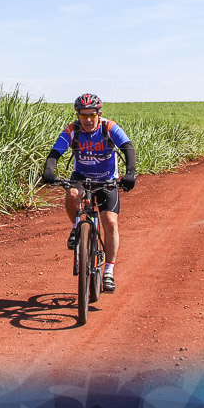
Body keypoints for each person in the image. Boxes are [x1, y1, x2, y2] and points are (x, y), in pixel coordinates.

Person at [42, 93, 136, 293]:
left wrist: (130, 173)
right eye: (83, 116)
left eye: (91, 115)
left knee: (110, 222)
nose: (87, 120)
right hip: (82, 177)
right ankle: (77, 228)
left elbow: (127, 147)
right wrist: (49, 171)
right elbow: (55, 153)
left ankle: (109, 271)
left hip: (107, 180)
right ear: (78, 115)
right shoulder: (72, 130)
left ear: (99, 114)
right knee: (73, 194)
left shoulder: (109, 128)